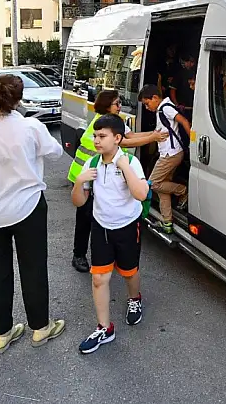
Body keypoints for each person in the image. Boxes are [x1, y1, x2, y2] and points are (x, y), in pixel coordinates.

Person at [0, 74, 66, 354]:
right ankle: (40, 328)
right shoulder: (31, 126)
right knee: (33, 268)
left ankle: (1, 333)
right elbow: (55, 152)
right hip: (27, 206)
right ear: (19, 99)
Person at [71, 114, 149, 354]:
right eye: (95, 135)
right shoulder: (92, 164)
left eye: (102, 136)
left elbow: (142, 194)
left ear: (117, 138)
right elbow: (78, 201)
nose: (96, 140)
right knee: (99, 278)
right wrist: (79, 183)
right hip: (101, 227)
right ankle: (105, 328)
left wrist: (124, 166)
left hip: (127, 226)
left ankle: (134, 298)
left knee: (129, 272)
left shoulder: (130, 162)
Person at [67, 90, 167, 273]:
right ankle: (78, 255)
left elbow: (130, 136)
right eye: (116, 103)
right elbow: (125, 144)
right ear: (107, 106)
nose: (120, 106)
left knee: (99, 215)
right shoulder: (102, 124)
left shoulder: (116, 121)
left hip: (102, 175)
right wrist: (152, 138)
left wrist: (153, 133)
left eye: (120, 103)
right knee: (85, 219)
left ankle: (104, 256)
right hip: (84, 174)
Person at [138, 85, 191, 234]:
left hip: (170, 155)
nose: (147, 108)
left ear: (155, 98)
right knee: (163, 188)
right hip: (169, 153)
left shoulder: (165, 108)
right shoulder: (162, 108)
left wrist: (193, 142)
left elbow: (184, 122)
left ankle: (183, 191)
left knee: (153, 184)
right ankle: (167, 222)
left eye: (147, 103)